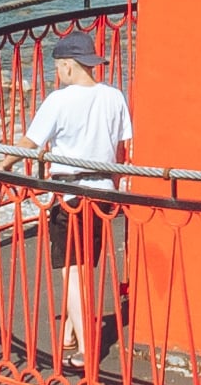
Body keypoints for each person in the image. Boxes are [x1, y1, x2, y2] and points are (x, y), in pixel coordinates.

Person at [17, 48, 131, 362]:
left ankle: (86, 348)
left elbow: (30, 143)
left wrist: (3, 162)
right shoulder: (113, 96)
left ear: (68, 65)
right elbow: (121, 150)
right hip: (104, 192)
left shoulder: (59, 100)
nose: (58, 73)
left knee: (72, 273)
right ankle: (69, 331)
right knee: (85, 267)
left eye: (58, 67)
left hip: (70, 196)